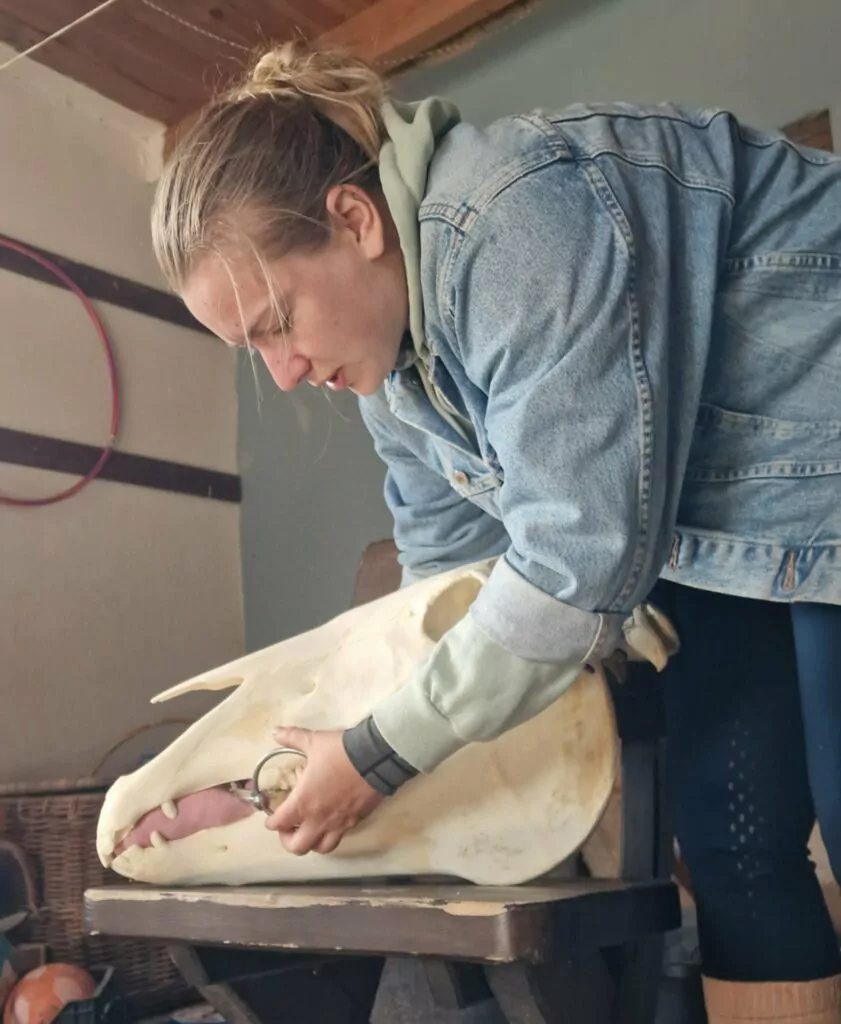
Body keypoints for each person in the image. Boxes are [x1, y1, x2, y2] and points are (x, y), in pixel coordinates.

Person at [150, 39, 841, 1022]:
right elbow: (439, 591)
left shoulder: (516, 217)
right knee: (732, 840)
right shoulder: (396, 384)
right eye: (249, 349)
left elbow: (573, 565)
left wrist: (377, 757)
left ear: (354, 220)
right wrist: (310, 766)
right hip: (726, 533)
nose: (284, 372)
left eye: (275, 322)